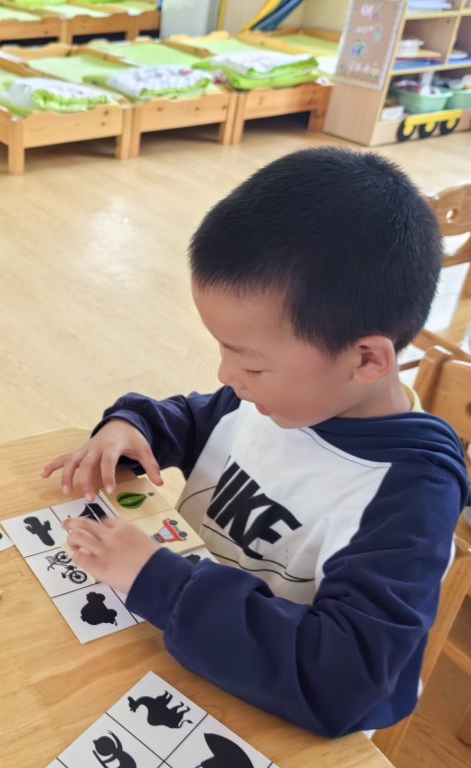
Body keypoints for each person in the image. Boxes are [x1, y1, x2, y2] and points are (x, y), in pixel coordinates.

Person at [44, 147, 469, 738]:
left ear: (367, 359)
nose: (226, 376)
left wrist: (159, 582)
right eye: (223, 350)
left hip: (280, 719)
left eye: (252, 364)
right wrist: (133, 427)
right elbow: (193, 419)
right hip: (179, 654)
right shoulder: (276, 400)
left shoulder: (409, 498)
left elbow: (344, 680)